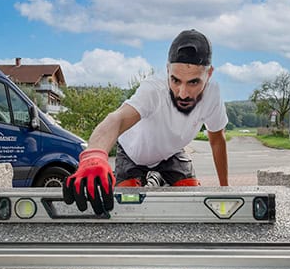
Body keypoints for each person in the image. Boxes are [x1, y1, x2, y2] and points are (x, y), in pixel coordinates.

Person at [63, 29, 229, 214]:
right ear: (167, 70)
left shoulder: (213, 93)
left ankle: (157, 179)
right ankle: (151, 179)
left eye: (193, 82)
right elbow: (116, 119)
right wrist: (93, 155)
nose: (182, 93)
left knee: (190, 196)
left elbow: (216, 141)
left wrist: (226, 190)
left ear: (209, 74)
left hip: (171, 154)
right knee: (128, 206)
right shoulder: (153, 89)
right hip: (134, 154)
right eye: (175, 80)